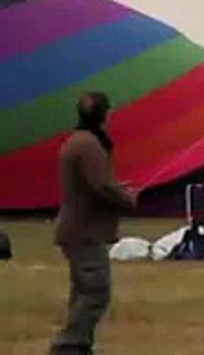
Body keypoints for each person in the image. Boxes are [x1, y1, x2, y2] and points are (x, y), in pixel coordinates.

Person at [50, 91, 138, 354]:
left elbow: (90, 185)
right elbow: (101, 187)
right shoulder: (89, 144)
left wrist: (116, 189)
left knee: (83, 291)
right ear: (104, 114)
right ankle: (69, 344)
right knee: (95, 291)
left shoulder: (77, 141)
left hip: (76, 228)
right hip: (84, 230)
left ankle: (80, 344)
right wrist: (127, 198)